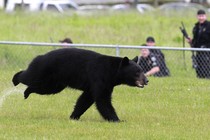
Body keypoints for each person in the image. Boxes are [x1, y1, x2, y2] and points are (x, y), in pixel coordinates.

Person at [186, 9, 210, 78]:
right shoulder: (196, 27)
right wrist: (191, 41)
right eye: (200, 16)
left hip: (207, 51)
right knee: (199, 68)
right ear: (197, 16)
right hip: (198, 51)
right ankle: (200, 79)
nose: (201, 18)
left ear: (206, 16)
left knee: (206, 67)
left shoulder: (209, 26)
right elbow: (196, 40)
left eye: (202, 16)